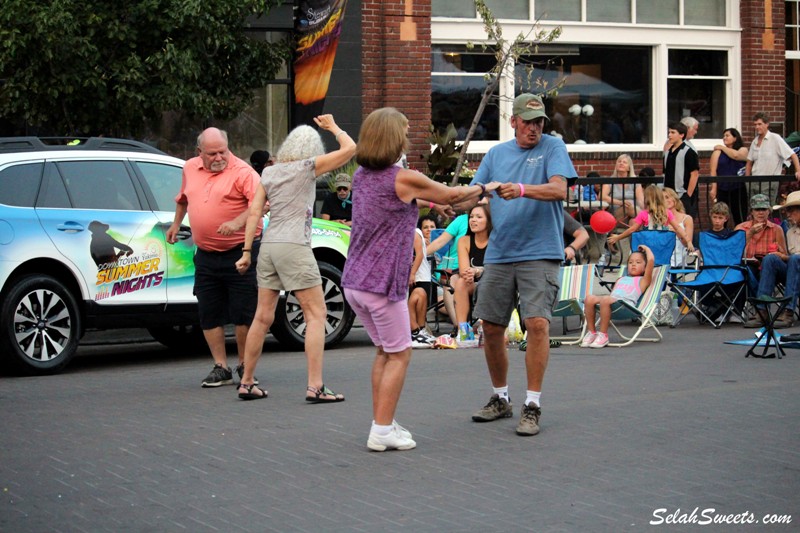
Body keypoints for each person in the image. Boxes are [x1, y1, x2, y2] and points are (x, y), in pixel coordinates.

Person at [341, 107, 498, 451]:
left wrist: (427, 202)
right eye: (405, 132)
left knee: (384, 352)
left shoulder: (363, 175)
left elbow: (400, 198)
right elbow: (455, 195)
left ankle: (383, 421)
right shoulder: (402, 177)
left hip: (355, 282)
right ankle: (381, 430)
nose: (409, 138)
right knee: (399, 354)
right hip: (382, 285)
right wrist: (489, 186)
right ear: (393, 138)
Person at [468, 93, 574, 438]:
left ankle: (532, 405)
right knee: (492, 326)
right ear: (513, 121)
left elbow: (559, 190)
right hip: (500, 253)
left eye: (540, 121)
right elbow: (475, 191)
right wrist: (441, 200)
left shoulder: (553, 148)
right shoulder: (496, 154)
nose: (534, 127)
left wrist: (522, 189)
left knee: (537, 323)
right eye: (528, 121)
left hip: (540, 251)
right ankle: (501, 398)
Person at [233, 115, 356, 401]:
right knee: (316, 314)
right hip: (294, 245)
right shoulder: (307, 167)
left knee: (262, 316)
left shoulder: (269, 173)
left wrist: (247, 251)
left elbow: (255, 213)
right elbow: (350, 149)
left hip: (269, 246)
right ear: (311, 149)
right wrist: (334, 127)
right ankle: (315, 386)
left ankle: (247, 381)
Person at [166, 127, 264, 388]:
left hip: (240, 252)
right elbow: (183, 199)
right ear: (200, 153)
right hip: (206, 254)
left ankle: (244, 364)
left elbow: (261, 204)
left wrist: (236, 222)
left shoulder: (243, 172)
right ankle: (221, 366)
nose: (219, 157)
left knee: (243, 313)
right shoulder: (190, 167)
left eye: (223, 151)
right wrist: (176, 224)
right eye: (212, 153)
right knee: (208, 311)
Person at [737, 193, 795, 328]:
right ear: (751, 211)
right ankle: (761, 310)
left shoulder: (777, 229)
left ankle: (762, 311)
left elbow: (785, 256)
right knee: (746, 268)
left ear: (769, 211)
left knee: (769, 259)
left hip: (772, 269)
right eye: (757, 209)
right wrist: (750, 234)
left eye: (763, 209)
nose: (761, 213)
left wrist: (778, 253)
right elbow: (734, 252)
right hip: (750, 268)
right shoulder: (741, 228)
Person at [580, 245, 654, 348]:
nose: (633, 265)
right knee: (589, 298)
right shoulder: (621, 278)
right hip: (612, 302)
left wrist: (647, 249)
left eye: (638, 262)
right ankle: (592, 332)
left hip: (626, 306)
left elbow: (651, 261)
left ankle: (603, 335)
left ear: (645, 267)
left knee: (606, 299)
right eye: (630, 262)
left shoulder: (643, 280)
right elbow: (613, 294)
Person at [608, 185, 694, 254]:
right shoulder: (667, 213)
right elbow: (678, 228)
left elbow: (632, 229)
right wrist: (688, 241)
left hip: (649, 246)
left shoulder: (643, 214)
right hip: (663, 245)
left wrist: (618, 237)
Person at [426, 212, 469, 333]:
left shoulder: (493, 220)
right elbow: (439, 242)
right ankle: (459, 327)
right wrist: (419, 255)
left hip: (475, 267)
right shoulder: (461, 220)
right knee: (448, 283)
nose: (475, 219)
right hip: (451, 265)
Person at [454, 203, 492, 340]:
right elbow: (464, 271)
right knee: (460, 283)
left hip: (493, 282)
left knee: (489, 282)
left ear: (489, 221)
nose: (473, 220)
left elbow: (497, 269)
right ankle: (463, 330)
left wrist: (478, 270)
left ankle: (486, 325)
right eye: (471, 217)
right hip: (473, 283)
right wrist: (470, 273)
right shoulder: (464, 241)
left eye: (479, 217)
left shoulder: (496, 240)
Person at [746, 111, 800, 204]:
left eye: (760, 124)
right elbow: (749, 162)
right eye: (755, 125)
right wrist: (747, 181)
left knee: (766, 209)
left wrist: (798, 171)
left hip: (769, 182)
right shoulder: (754, 141)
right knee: (753, 210)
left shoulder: (775, 138)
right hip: (754, 182)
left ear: (767, 124)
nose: (757, 127)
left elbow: (793, 155)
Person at [709, 128, 749, 225]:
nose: (724, 138)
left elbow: (737, 156)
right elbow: (713, 171)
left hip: (738, 188)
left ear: (735, 138)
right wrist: (714, 188)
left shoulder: (743, 149)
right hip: (722, 188)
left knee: (739, 215)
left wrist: (722, 148)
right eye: (723, 136)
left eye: (727, 135)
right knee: (721, 214)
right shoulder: (717, 153)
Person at [409, 215, 438, 348]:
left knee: (419, 296)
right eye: (426, 227)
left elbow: (419, 254)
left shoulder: (415, 233)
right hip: (408, 276)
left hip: (420, 276)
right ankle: (416, 331)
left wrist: (412, 273)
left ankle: (418, 330)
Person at [663, 121, 700, 220]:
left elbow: (694, 174)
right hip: (669, 195)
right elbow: (665, 173)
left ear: (681, 135)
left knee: (684, 222)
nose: (669, 135)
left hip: (682, 195)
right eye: (669, 132)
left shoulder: (688, 152)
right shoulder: (668, 152)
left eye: (673, 132)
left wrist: (688, 195)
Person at [601, 153, 644, 227]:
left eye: (624, 162)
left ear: (629, 168)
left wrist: (645, 209)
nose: (621, 163)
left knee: (634, 222)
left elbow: (641, 201)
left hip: (634, 214)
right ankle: (648, 220)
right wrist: (620, 202)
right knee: (627, 207)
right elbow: (602, 196)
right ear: (616, 165)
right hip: (617, 215)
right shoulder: (610, 181)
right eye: (619, 161)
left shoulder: (635, 181)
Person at [662, 187, 694, 267]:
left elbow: (688, 244)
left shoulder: (687, 219)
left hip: (679, 260)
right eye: (662, 199)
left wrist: (677, 231)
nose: (666, 201)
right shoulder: (659, 220)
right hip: (663, 258)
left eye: (667, 197)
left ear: (674, 199)